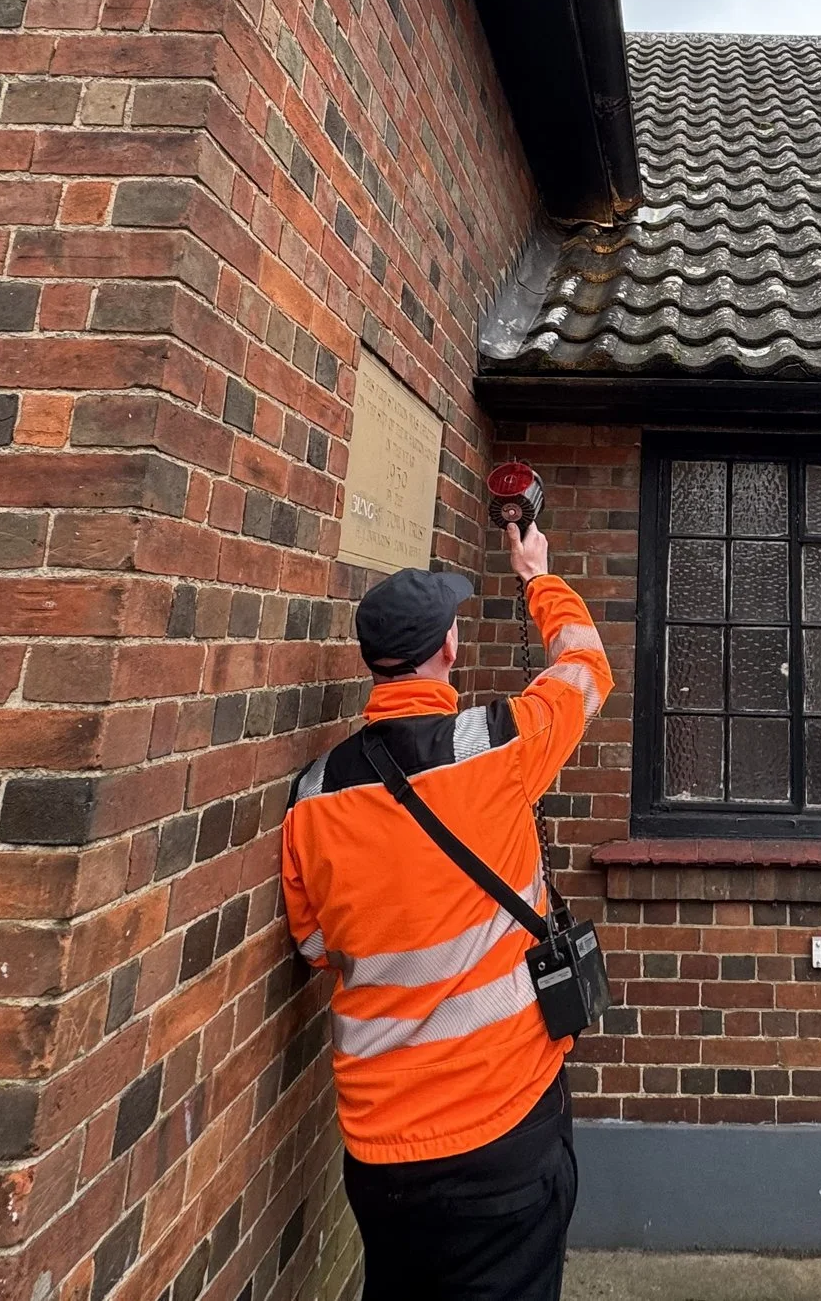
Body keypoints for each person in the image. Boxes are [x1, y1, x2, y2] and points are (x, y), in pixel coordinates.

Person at [280, 521, 614, 1301]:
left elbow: (316, 946)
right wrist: (538, 575)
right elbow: (588, 668)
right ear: (448, 648)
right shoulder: (499, 745)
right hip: (502, 1133)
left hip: (378, 1151)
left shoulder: (312, 797)